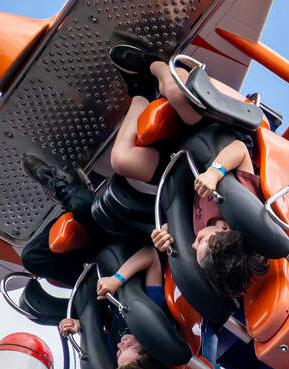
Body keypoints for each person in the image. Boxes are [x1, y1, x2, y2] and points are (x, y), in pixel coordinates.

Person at [107, 52, 272, 307]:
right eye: (202, 241)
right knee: (174, 90)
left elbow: (179, 210)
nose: (193, 244)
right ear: (224, 230)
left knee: (121, 160)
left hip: (184, 161)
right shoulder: (243, 208)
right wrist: (215, 172)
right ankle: (154, 63)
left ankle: (138, 90)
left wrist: (163, 234)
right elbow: (239, 149)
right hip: (214, 133)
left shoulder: (202, 232)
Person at [56, 244, 171, 369]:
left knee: (34, 261)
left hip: (96, 278)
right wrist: (117, 280)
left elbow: (94, 327)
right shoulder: (154, 313)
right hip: (120, 255)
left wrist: (78, 326)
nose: (120, 344)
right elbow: (151, 255)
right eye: (129, 346)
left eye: (118, 352)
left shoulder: (116, 343)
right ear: (150, 346)